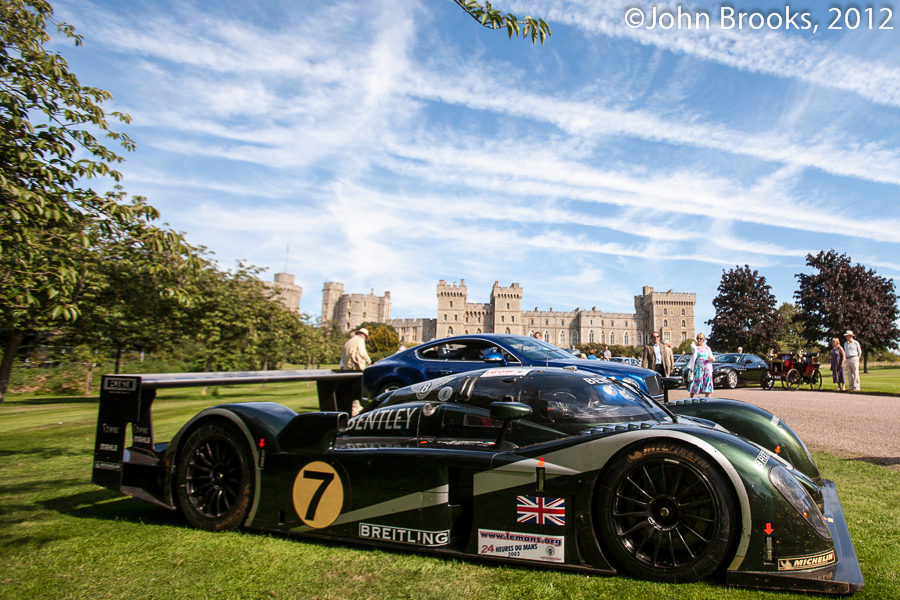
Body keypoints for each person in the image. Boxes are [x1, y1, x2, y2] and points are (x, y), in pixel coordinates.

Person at [341, 328, 372, 415]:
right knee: (359, 389)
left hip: (347, 369)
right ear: (363, 336)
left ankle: (355, 408)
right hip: (356, 368)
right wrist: (369, 360)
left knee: (351, 390)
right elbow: (362, 353)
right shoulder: (360, 340)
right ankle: (357, 410)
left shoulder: (348, 342)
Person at [688, 333, 714, 398]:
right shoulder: (696, 348)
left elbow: (712, 357)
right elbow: (692, 347)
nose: (699, 340)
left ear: (703, 340)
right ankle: (691, 398)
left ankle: (708, 400)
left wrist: (711, 359)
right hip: (698, 368)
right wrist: (693, 344)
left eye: (700, 339)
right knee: (695, 383)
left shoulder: (708, 348)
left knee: (707, 384)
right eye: (697, 338)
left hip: (707, 368)